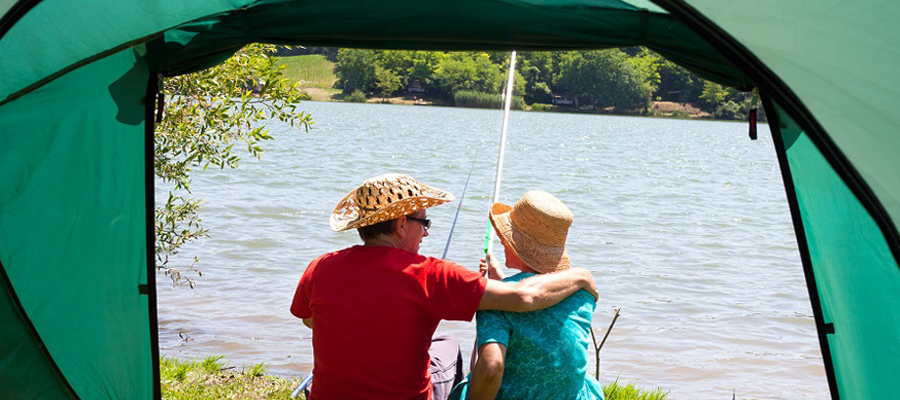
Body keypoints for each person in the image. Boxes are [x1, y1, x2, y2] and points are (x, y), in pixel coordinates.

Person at [290, 174, 598, 400]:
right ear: (400, 225)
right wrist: (581, 276)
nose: (425, 234)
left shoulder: (320, 267)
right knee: (449, 344)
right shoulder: (430, 275)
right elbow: (523, 296)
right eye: (424, 223)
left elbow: (309, 320)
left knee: (441, 340)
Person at [465, 190, 604, 400]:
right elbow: (542, 305)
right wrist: (501, 281)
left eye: (506, 237)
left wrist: (494, 290)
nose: (502, 241)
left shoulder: (495, 303)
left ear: (519, 245)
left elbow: (491, 367)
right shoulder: (582, 294)